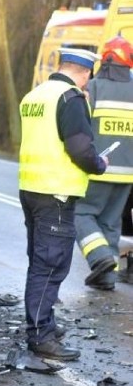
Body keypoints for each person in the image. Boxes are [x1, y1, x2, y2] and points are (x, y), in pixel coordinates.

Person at [18, 48, 108, 361]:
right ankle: (41, 336)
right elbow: (80, 149)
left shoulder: (35, 94)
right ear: (86, 72)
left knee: (39, 262)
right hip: (56, 192)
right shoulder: (70, 98)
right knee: (51, 266)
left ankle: (43, 325)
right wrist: (99, 163)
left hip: (31, 189)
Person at [75, 36, 133, 290]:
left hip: (99, 167)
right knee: (110, 222)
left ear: (106, 58)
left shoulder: (94, 87)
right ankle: (107, 277)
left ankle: (99, 258)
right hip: (127, 174)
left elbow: (80, 126)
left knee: (82, 213)